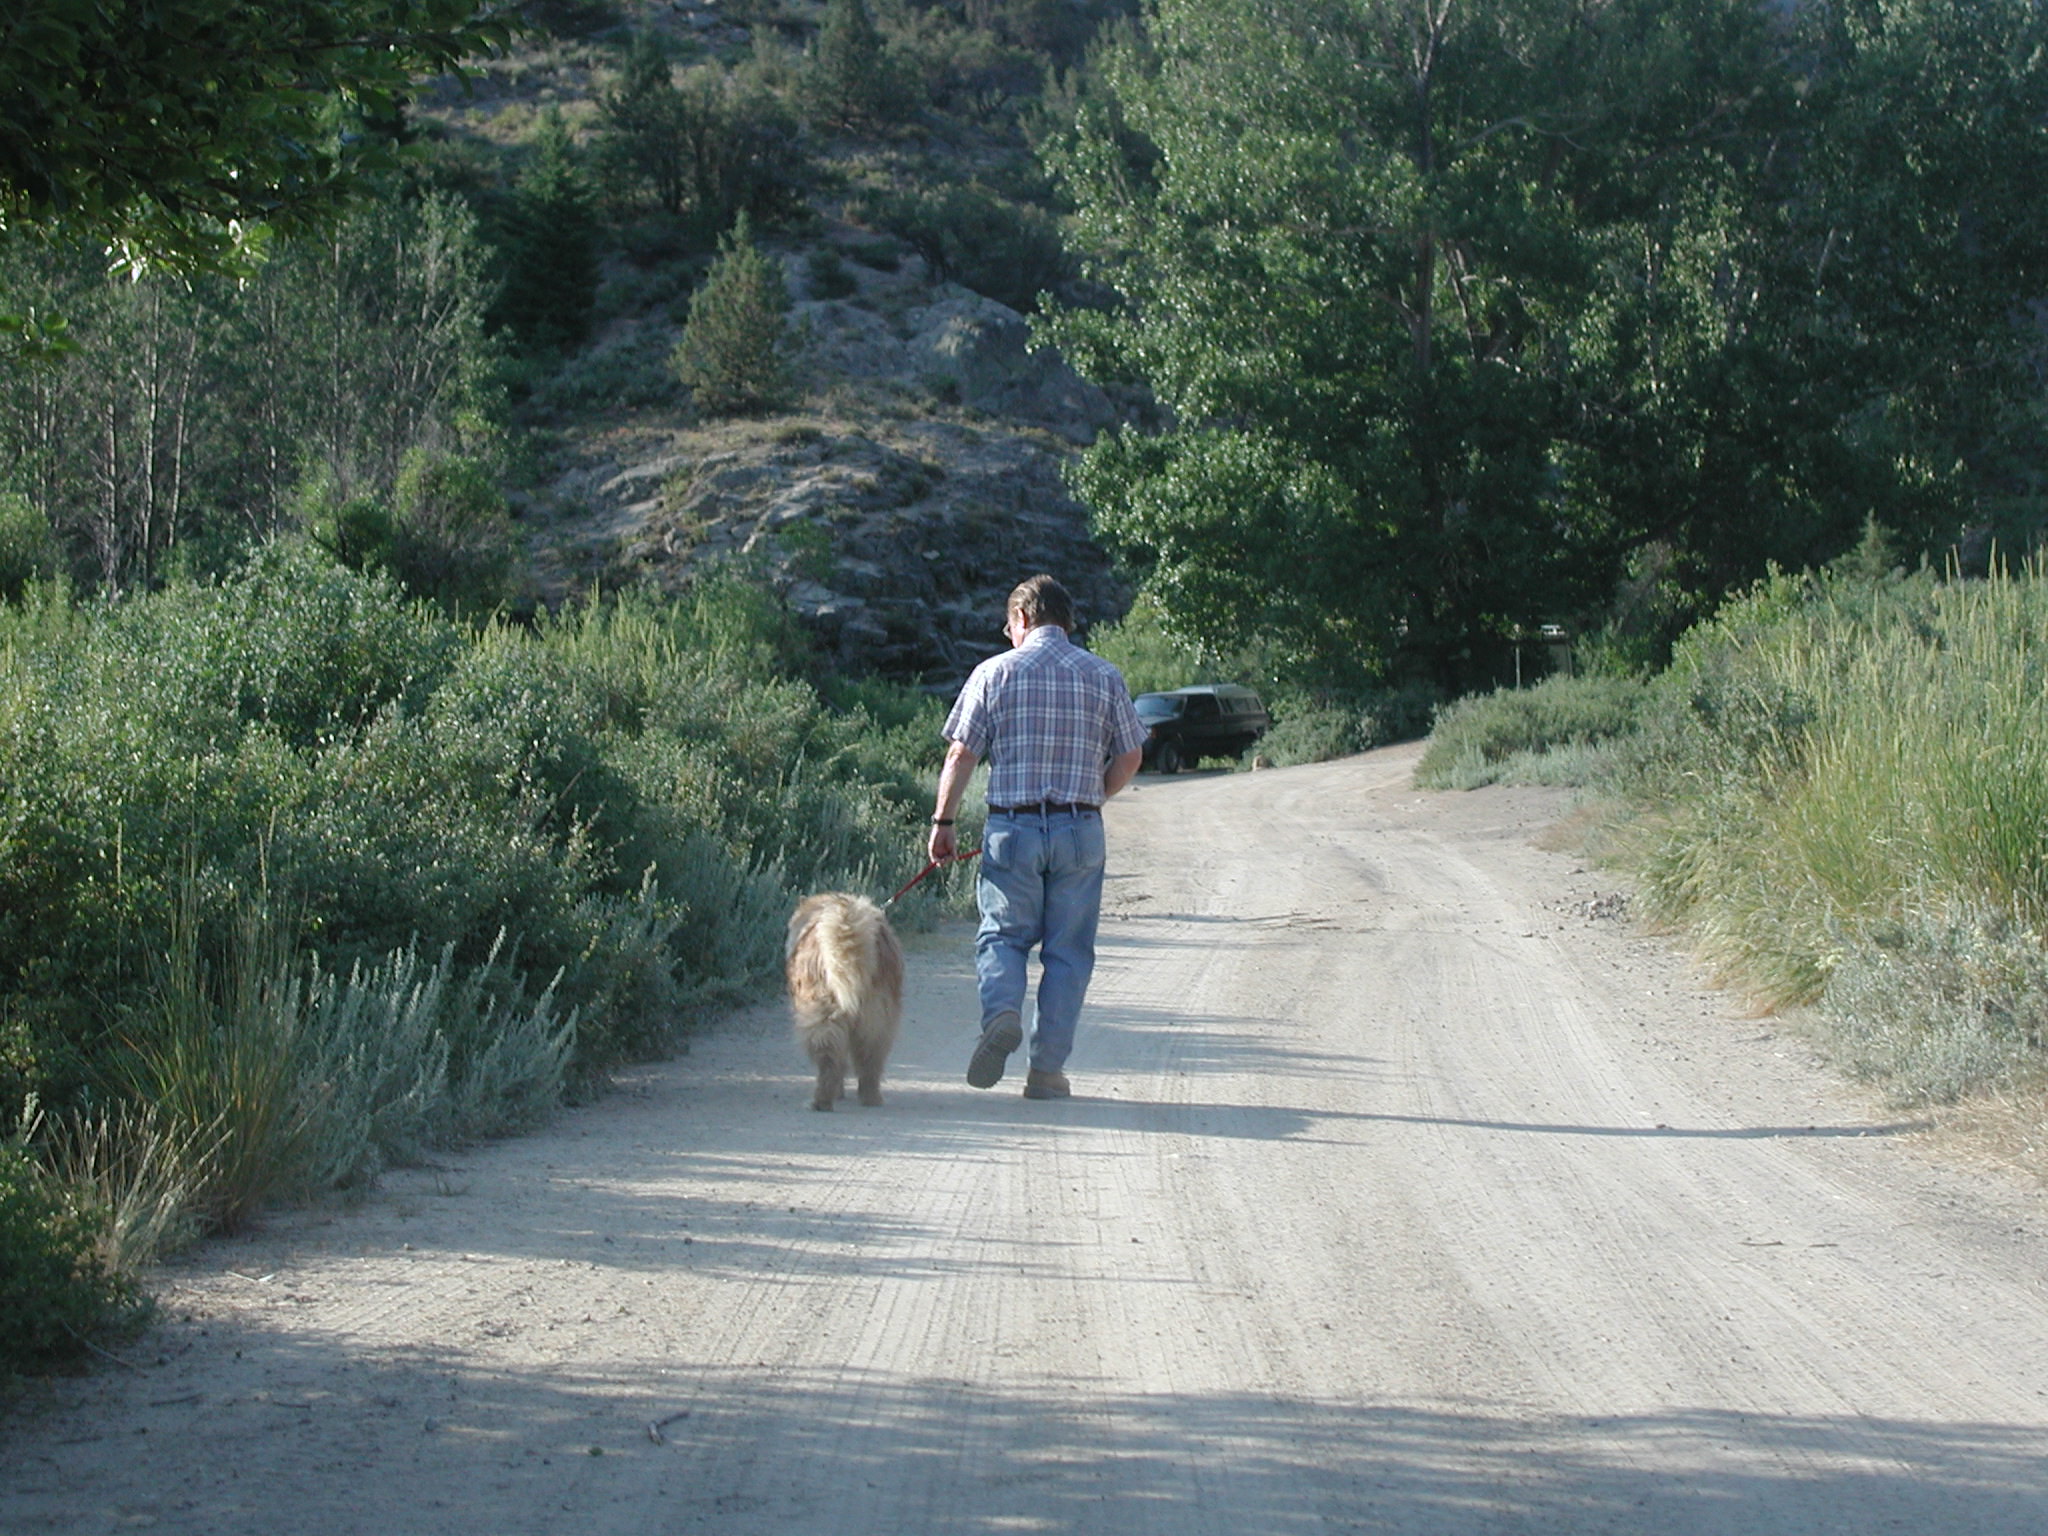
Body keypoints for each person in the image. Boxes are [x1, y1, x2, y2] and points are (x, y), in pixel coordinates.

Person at [928, 575, 1148, 1099]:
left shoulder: (993, 673)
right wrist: (1092, 796)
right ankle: (1047, 1072)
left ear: (1023, 618)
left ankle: (1001, 1012)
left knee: (1002, 937)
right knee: (1069, 954)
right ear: (1066, 621)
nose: (1009, 636)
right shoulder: (1104, 675)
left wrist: (944, 823)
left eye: (1009, 627)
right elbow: (1132, 755)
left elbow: (961, 755)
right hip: (1079, 829)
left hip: (1013, 827)